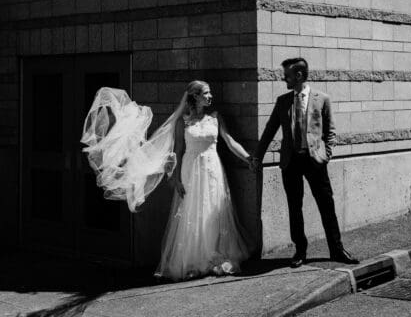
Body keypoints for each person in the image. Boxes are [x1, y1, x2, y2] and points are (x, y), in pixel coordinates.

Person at [81, 81, 252, 281]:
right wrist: (176, 179)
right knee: (193, 212)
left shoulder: (215, 118)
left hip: (213, 169)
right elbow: (178, 151)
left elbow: (230, 141)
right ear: (195, 96)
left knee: (214, 211)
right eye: (206, 93)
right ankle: (195, 260)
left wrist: (248, 158)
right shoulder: (183, 122)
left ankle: (214, 255)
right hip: (191, 171)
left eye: (210, 92)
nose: (210, 96)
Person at [253, 57, 359, 267]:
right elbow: (269, 130)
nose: (285, 79)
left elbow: (330, 131)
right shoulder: (283, 101)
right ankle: (300, 251)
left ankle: (337, 250)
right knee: (295, 207)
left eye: (287, 75)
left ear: (299, 75)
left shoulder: (322, 99)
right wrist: (258, 155)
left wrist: (326, 154)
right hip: (290, 161)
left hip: (315, 161)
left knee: (326, 205)